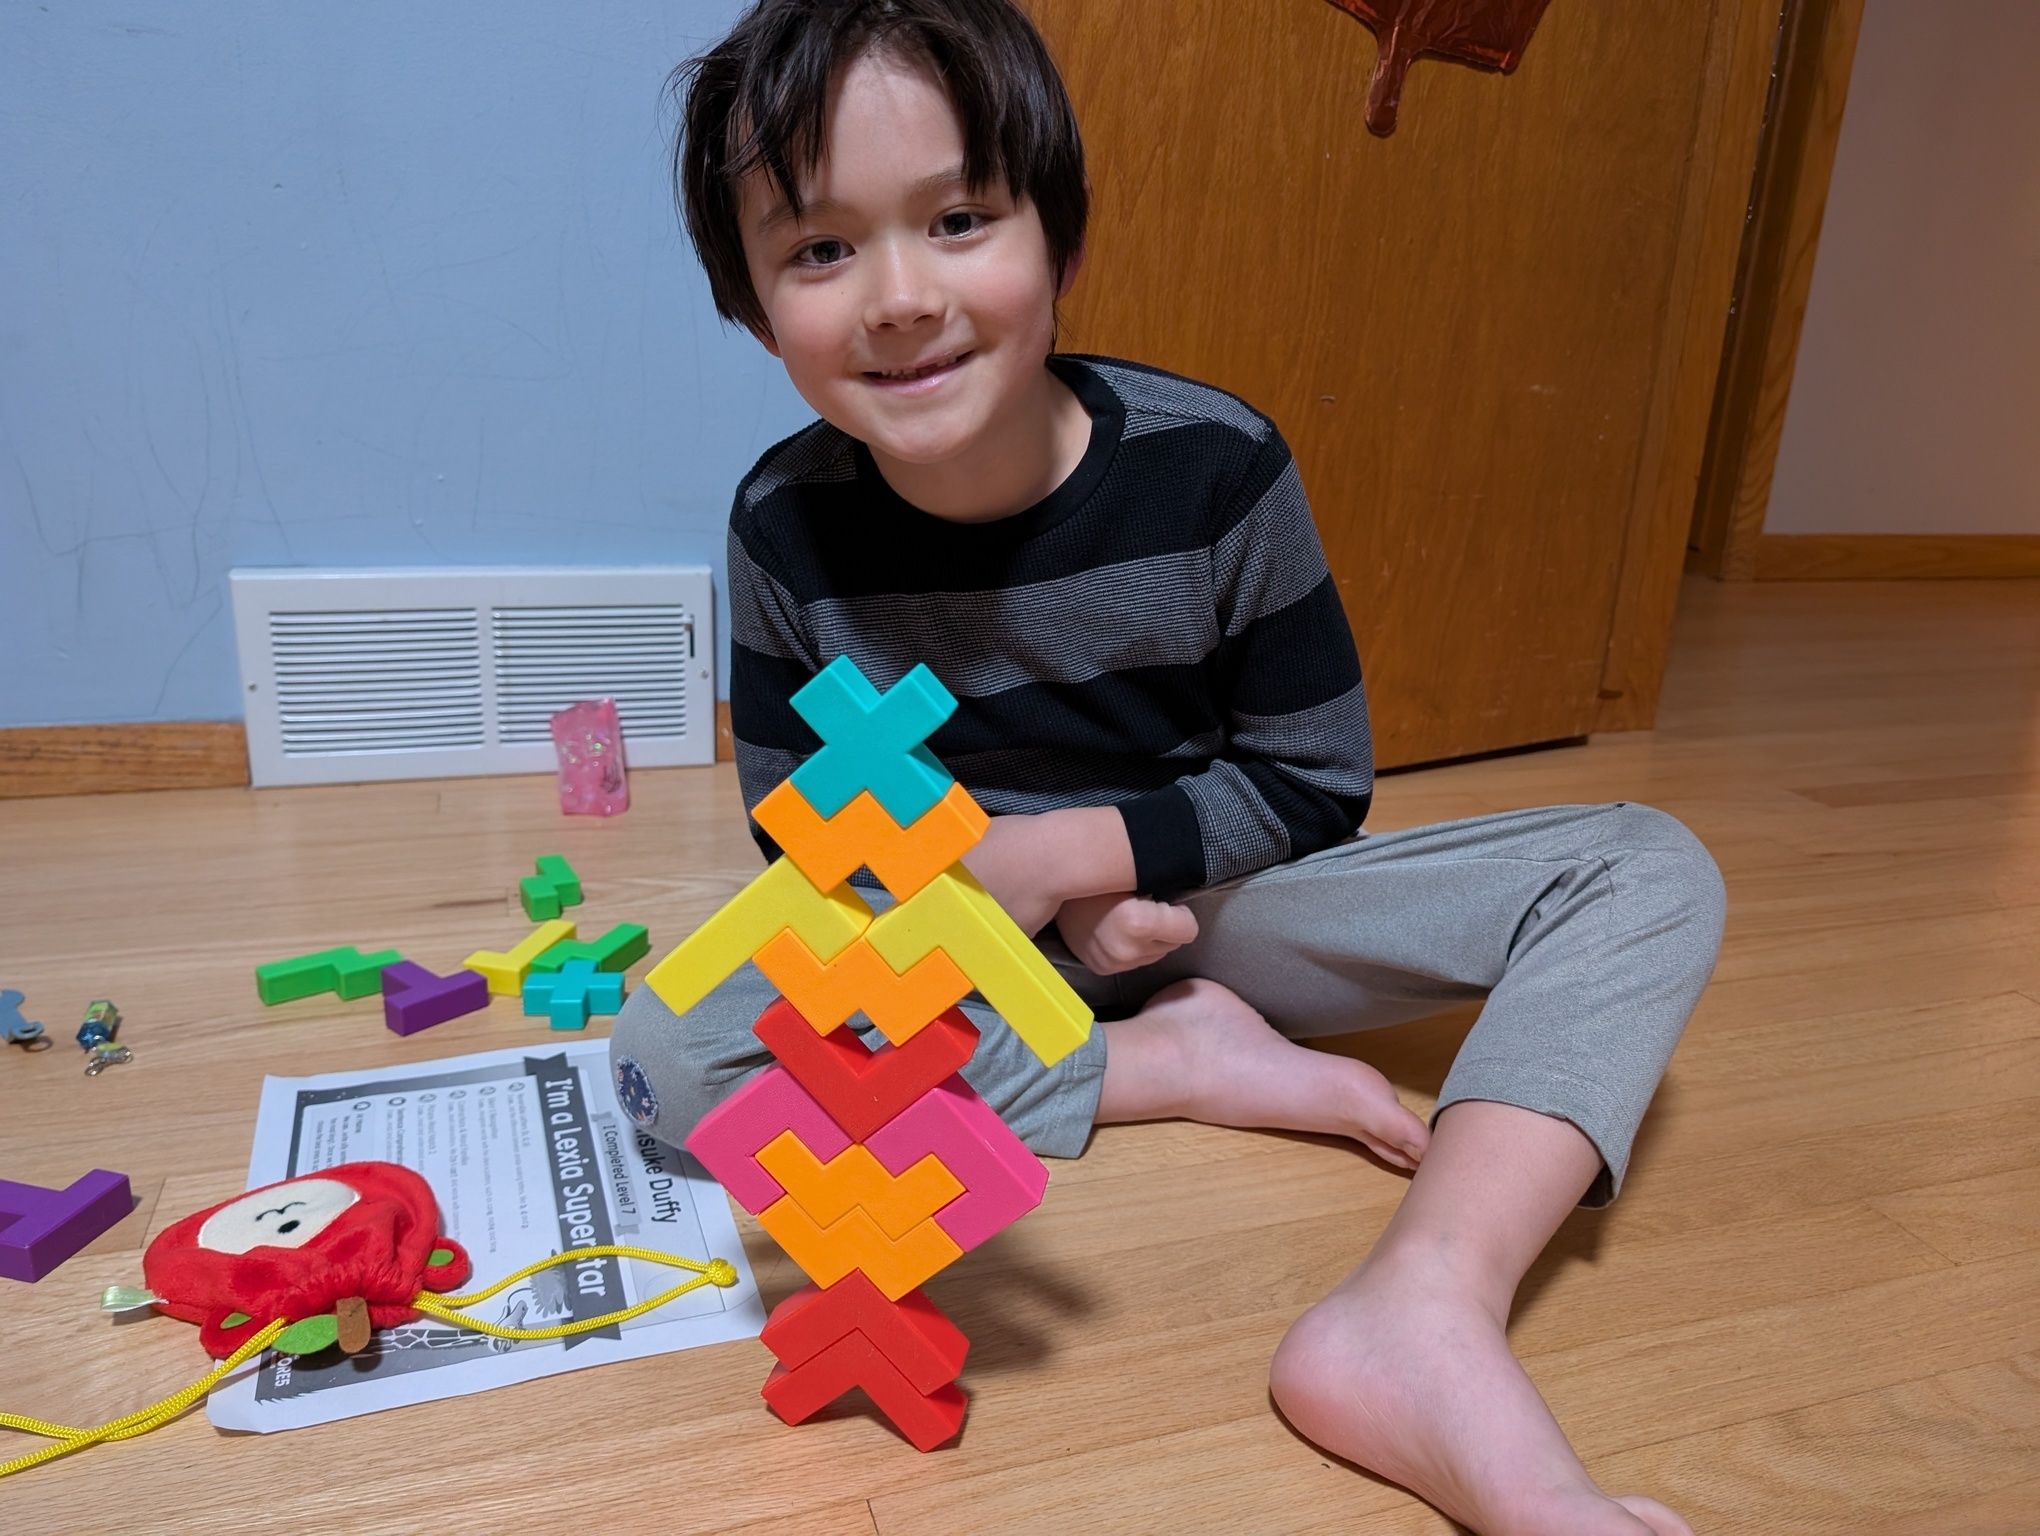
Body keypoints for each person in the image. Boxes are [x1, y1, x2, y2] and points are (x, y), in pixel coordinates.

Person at [609, 4, 1726, 1531]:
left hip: (1211, 910)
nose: (901, 296)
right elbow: (798, 833)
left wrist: (1080, 860)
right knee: (665, 1062)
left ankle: (1427, 1301)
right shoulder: (781, 525)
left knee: (1645, 868)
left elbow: (1314, 777)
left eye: (958, 220)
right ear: (753, 308)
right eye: (821, 249)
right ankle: (1166, 1066)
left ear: (1060, 241)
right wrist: (988, 905)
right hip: (953, 953)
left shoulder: (1215, 468)